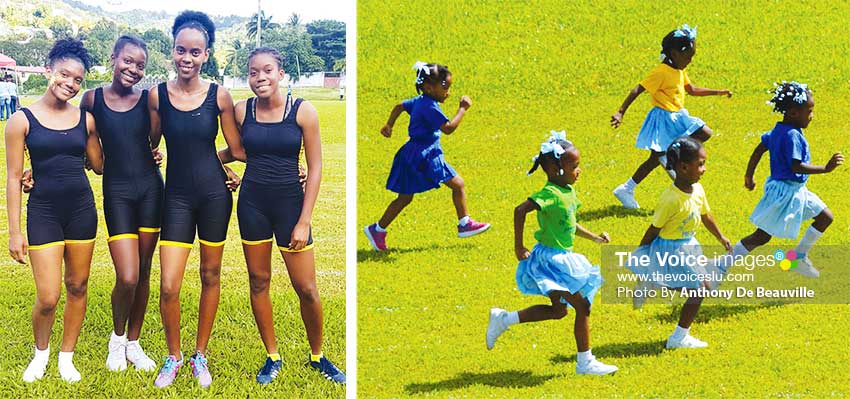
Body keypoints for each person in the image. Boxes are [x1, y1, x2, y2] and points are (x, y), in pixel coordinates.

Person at [218, 46, 346, 385]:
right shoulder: (241, 110)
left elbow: (316, 168)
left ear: (281, 74)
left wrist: (304, 220)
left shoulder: (304, 112)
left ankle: (318, 355)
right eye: (253, 72)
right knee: (259, 282)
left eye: (267, 70)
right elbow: (232, 151)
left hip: (291, 206)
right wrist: (222, 169)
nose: (260, 77)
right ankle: (272, 356)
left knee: (306, 288)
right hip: (253, 206)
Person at [148, 10, 245, 388]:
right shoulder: (157, 96)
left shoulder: (218, 95)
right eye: (180, 50)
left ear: (207, 54)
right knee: (169, 284)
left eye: (195, 52)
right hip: (176, 199)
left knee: (210, 275)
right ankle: (173, 356)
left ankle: (199, 354)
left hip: (214, 198)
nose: (187, 58)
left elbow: (236, 148)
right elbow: (150, 145)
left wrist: (290, 165)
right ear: (172, 51)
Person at [5, 38, 103, 383]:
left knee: (78, 285)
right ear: (49, 71)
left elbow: (100, 165)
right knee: (48, 296)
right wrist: (14, 231)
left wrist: (146, 150)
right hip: (44, 212)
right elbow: (14, 177)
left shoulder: (86, 120)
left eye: (77, 80)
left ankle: (66, 357)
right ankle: (41, 353)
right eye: (64, 75)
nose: (70, 84)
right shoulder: (20, 120)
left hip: (81, 210)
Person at [485, 131, 618, 375]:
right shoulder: (549, 194)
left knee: (559, 311)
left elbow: (569, 223)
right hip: (550, 260)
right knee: (583, 306)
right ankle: (585, 363)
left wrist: (594, 238)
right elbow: (519, 210)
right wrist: (518, 246)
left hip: (561, 258)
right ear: (556, 169)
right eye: (574, 166)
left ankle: (503, 319)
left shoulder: (568, 192)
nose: (579, 171)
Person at [363, 62, 490, 251]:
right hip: (425, 155)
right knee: (458, 184)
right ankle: (464, 223)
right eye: (445, 86)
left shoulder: (419, 101)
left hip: (412, 154)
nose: (448, 91)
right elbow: (448, 128)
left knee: (405, 198)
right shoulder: (429, 106)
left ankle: (377, 229)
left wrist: (389, 125)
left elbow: (400, 106)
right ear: (429, 87)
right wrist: (462, 109)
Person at [611, 24, 732, 209]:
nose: (690, 60)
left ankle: (628, 187)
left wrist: (718, 92)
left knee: (661, 156)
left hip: (677, 116)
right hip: (663, 119)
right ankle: (665, 158)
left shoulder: (679, 69)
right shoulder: (661, 71)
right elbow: (638, 89)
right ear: (674, 54)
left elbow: (691, 90)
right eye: (688, 56)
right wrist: (620, 111)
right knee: (698, 135)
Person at [731, 82, 843, 277]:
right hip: (785, 192)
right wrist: (825, 169)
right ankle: (721, 264)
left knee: (825, 217)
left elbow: (759, 149)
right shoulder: (791, 135)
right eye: (808, 111)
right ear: (793, 113)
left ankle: (797, 258)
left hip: (795, 190)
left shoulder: (779, 130)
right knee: (762, 236)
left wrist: (749, 175)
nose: (812, 115)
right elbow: (796, 166)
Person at [628, 137, 731, 348]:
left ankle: (653, 283)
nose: (704, 169)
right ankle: (678, 337)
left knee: (701, 287)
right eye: (700, 164)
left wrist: (720, 236)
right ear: (683, 167)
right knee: (700, 289)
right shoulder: (670, 199)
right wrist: (641, 253)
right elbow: (654, 229)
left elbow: (706, 215)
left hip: (689, 246)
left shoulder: (698, 190)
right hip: (671, 249)